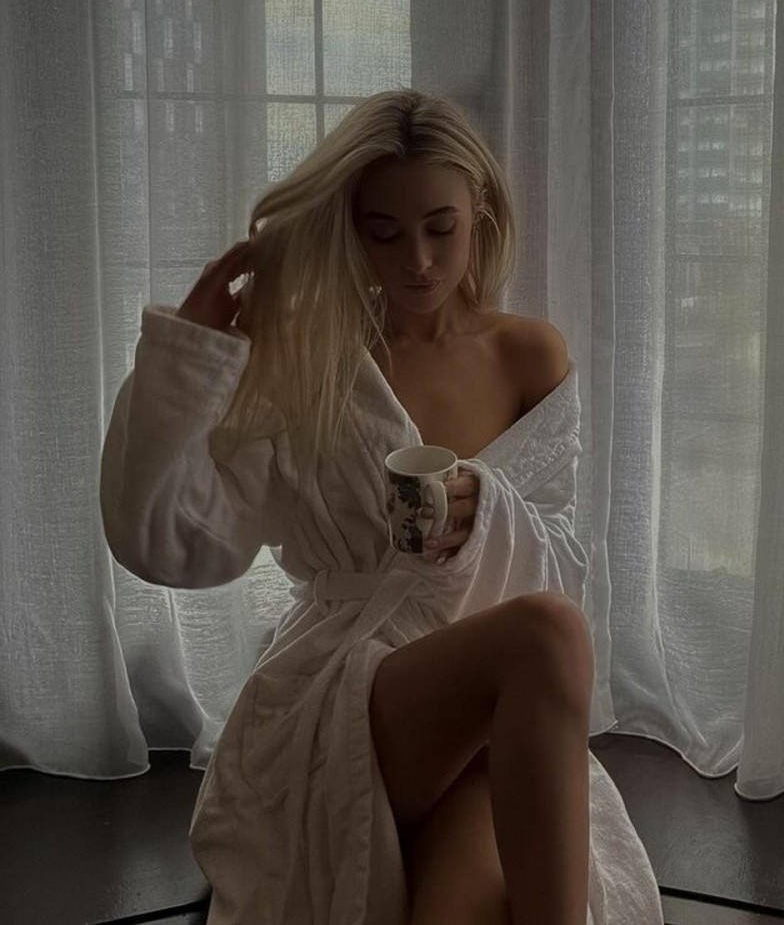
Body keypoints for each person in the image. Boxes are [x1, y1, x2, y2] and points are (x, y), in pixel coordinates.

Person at [99, 88, 665, 925]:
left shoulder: (528, 355)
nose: (419, 263)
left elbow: (564, 567)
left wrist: (485, 514)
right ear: (350, 230)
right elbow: (169, 542)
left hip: (491, 726)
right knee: (546, 634)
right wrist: (194, 350)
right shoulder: (310, 358)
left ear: (480, 211)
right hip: (347, 696)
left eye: (441, 227)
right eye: (385, 233)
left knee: (464, 909)